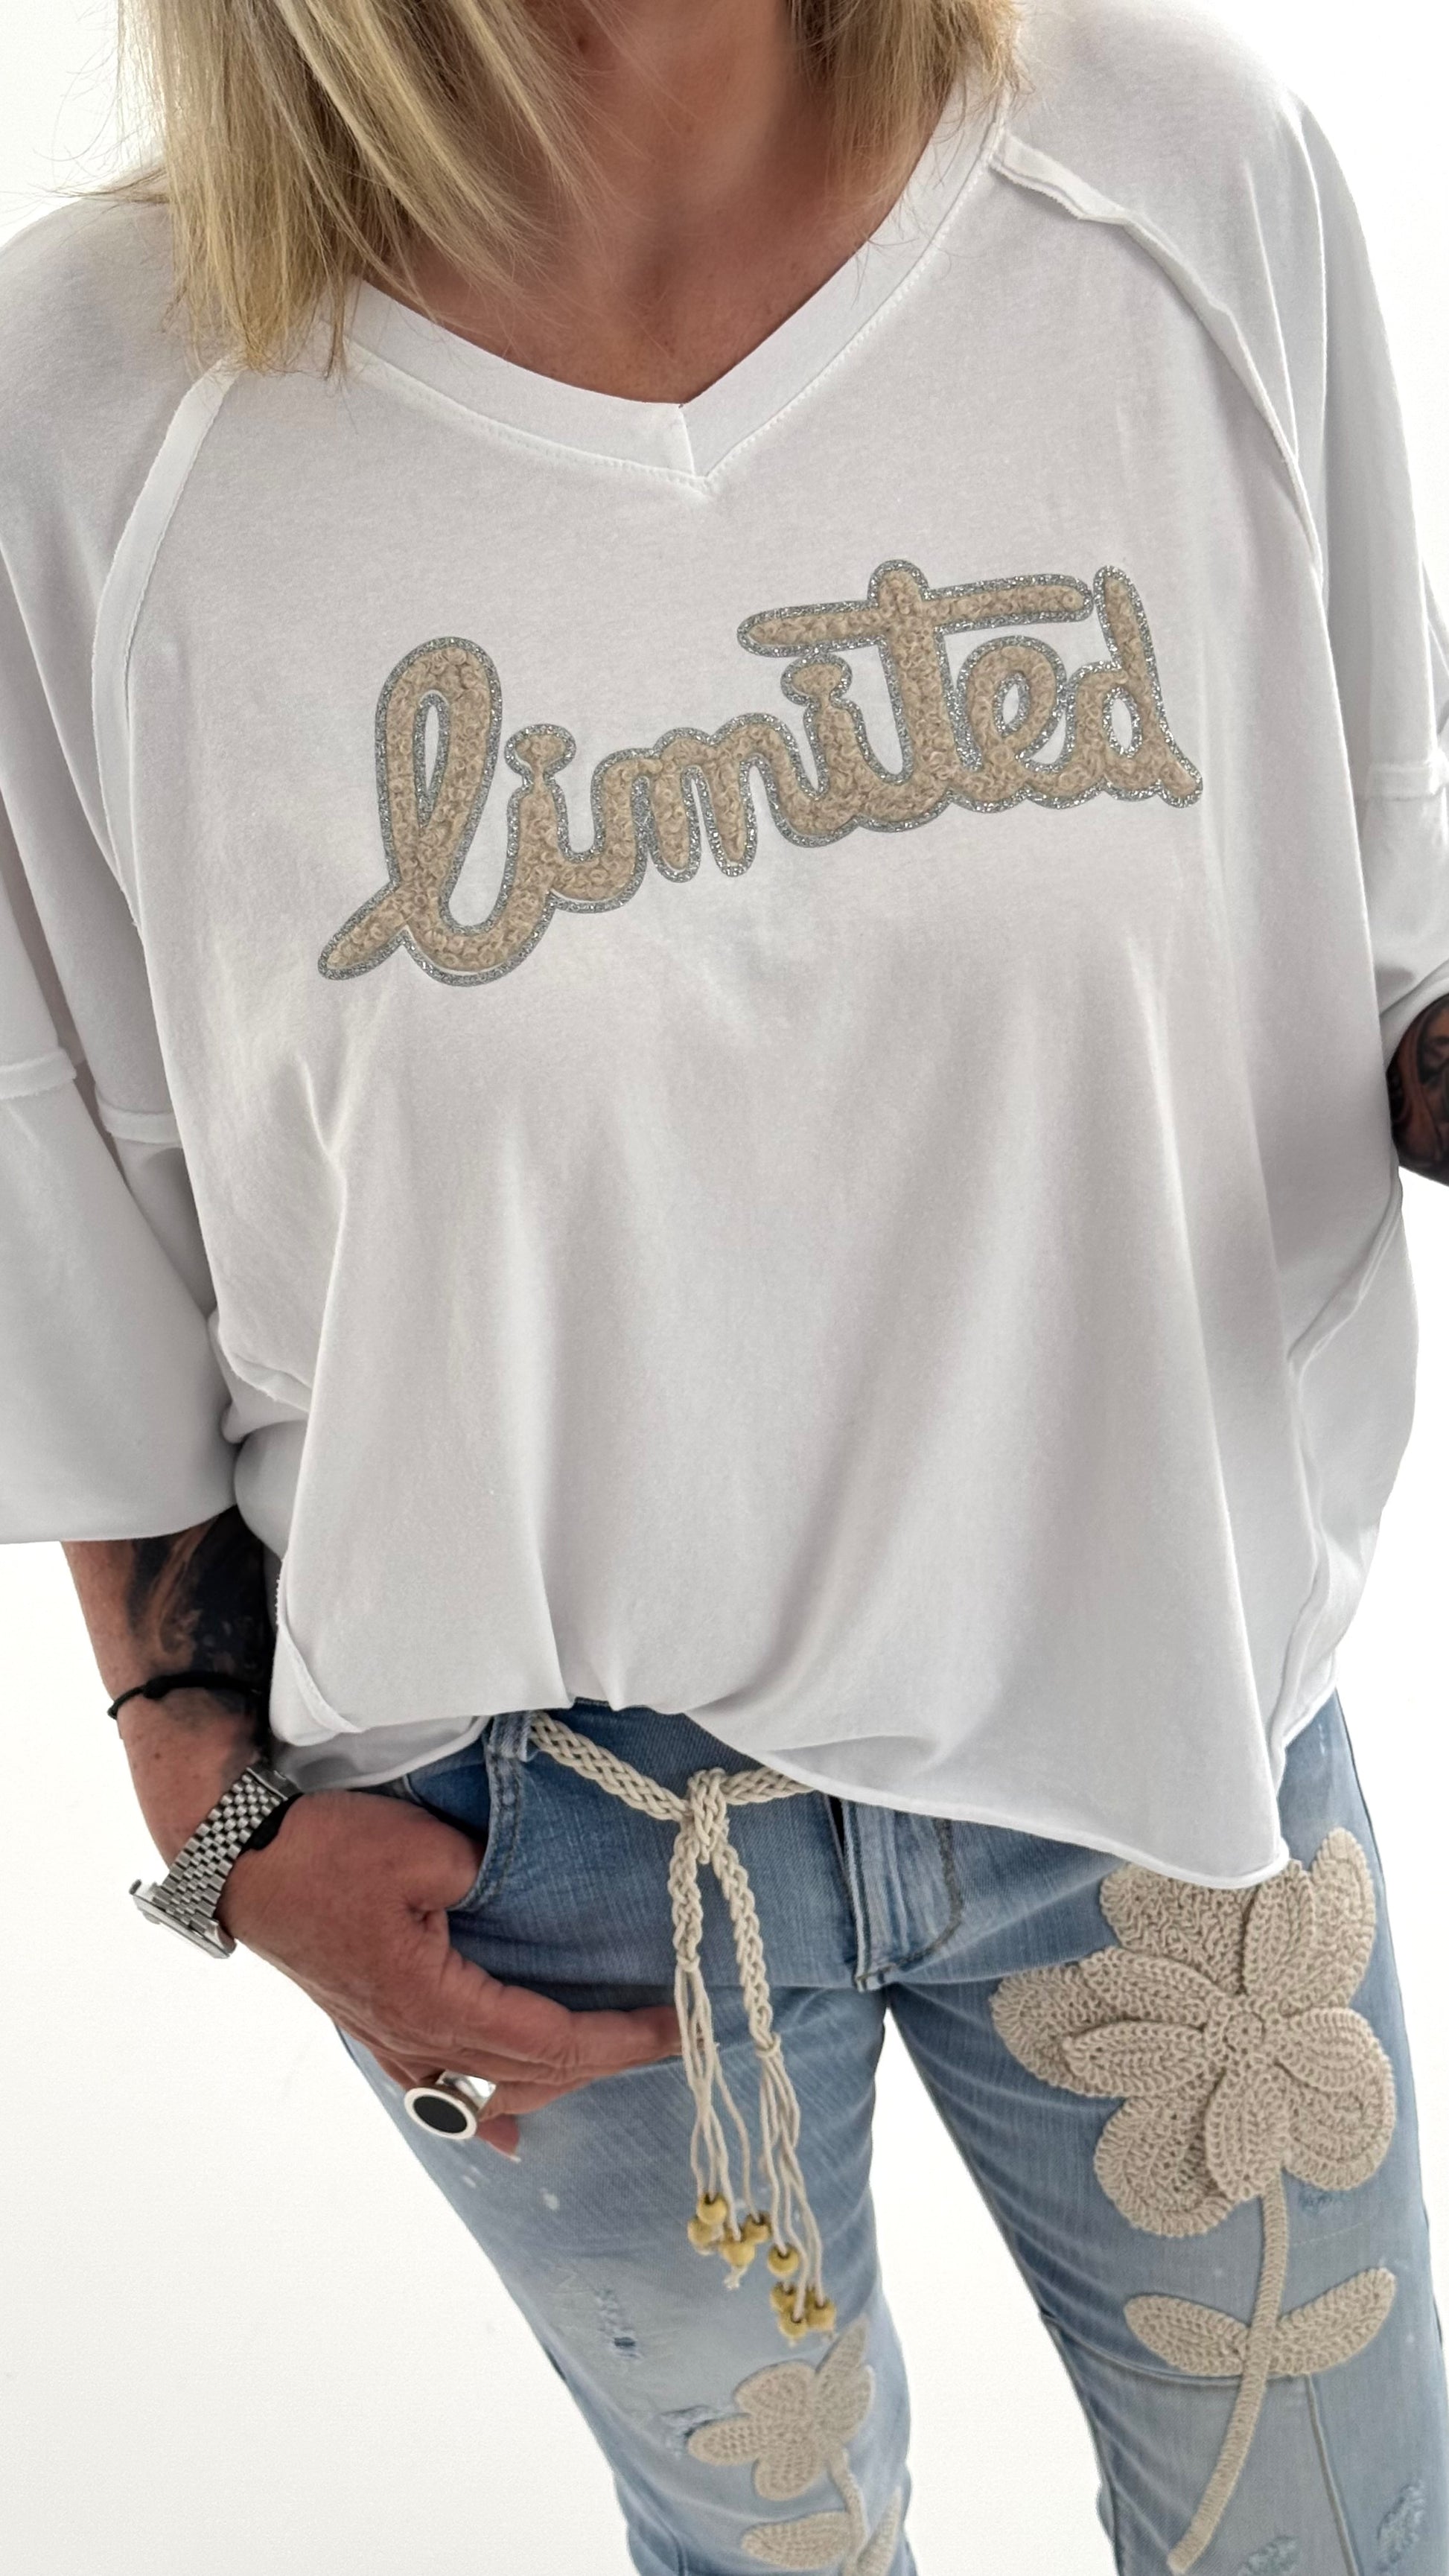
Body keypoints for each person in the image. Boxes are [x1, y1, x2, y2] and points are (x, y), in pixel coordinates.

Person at [2, 0, 1447, 2565]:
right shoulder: (97, 390)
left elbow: (1381, 913)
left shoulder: (1175, 178)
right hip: (529, 1858)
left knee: (1337, 2532)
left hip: (1162, 1731)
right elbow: (70, 1160)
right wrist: (201, 1800)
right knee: (762, 2542)